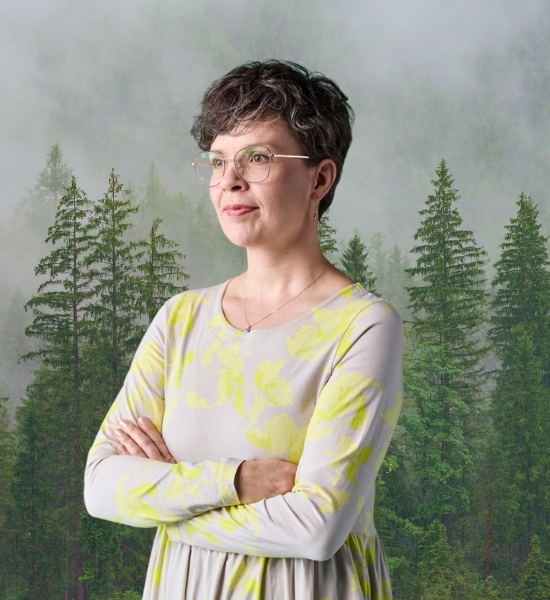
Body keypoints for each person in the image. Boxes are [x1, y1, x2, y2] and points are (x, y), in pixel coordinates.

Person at [83, 60, 403, 599]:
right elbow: (100, 487)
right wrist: (235, 481)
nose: (229, 179)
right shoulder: (180, 319)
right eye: (218, 161)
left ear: (320, 179)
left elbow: (316, 527)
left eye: (257, 158)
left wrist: (166, 502)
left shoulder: (364, 326)